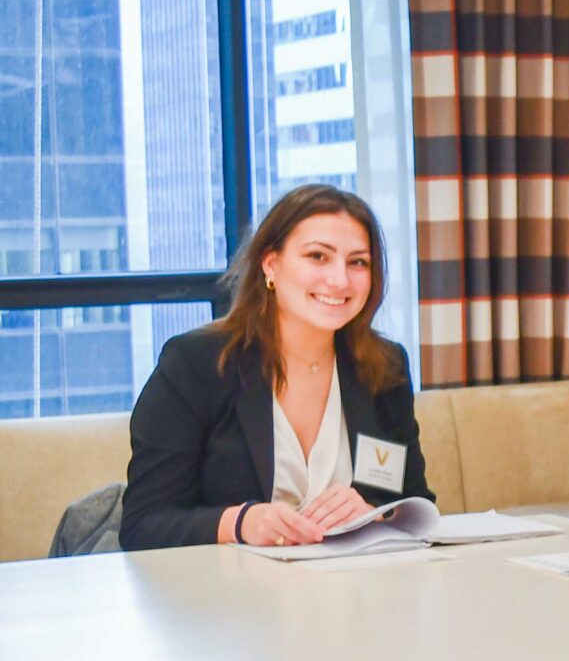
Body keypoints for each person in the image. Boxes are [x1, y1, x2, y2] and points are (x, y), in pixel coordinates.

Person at [124, 184, 432, 551]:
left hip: (356, 592)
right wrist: (239, 522)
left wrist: (375, 513)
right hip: (232, 597)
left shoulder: (385, 368)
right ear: (271, 264)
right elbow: (143, 524)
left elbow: (418, 505)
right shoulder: (196, 363)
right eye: (318, 256)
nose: (339, 279)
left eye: (358, 262)